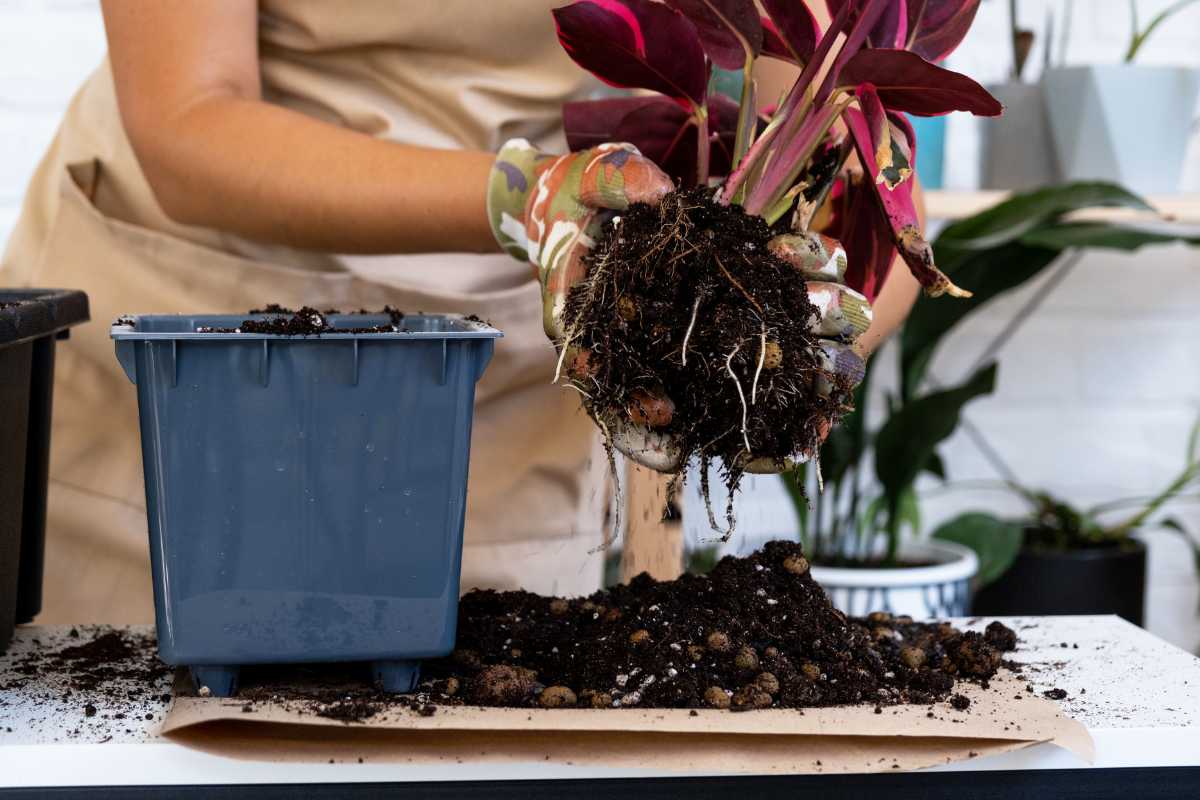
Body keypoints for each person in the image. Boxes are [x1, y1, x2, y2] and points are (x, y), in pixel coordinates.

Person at [0, 1, 920, 625]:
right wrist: (519, 193)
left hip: (507, 374)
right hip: (190, 372)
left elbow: (856, 84)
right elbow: (187, 114)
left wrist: (787, 348)